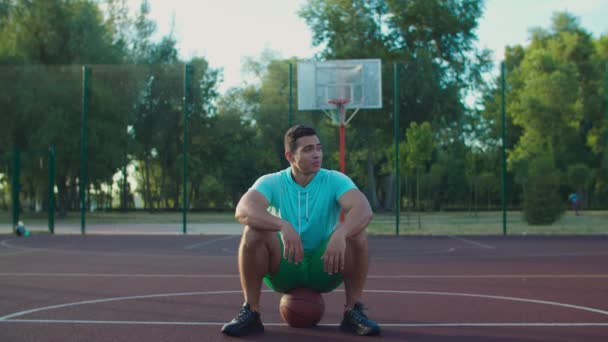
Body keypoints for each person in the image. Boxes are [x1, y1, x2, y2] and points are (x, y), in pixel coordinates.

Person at [221, 125, 380, 337]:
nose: (316, 154)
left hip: (325, 265)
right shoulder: (272, 181)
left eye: (318, 148)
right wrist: (282, 225)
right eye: (307, 150)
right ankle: (251, 311)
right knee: (253, 231)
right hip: (284, 266)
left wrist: (341, 232)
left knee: (357, 232)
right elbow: (243, 210)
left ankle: (353, 311)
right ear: (290, 156)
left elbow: (363, 209)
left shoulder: (335, 180)